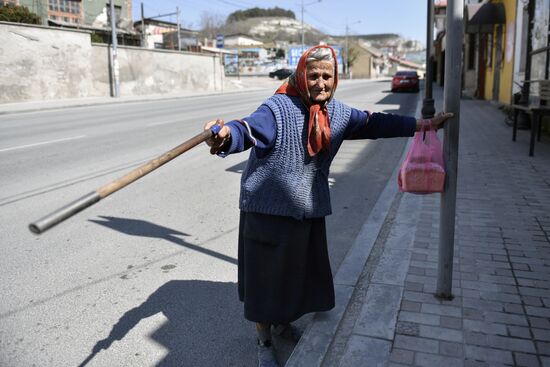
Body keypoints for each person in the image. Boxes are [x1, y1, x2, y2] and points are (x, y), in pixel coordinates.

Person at [204, 45, 452, 367]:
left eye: (327, 76)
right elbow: (247, 129)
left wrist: (423, 126)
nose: (321, 83)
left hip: (306, 209)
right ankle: (264, 340)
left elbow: (376, 123)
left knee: (295, 276)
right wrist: (224, 136)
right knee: (265, 281)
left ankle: (282, 321)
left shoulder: (338, 114)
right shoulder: (278, 108)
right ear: (301, 76)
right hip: (266, 210)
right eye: (314, 76)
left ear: (335, 79)